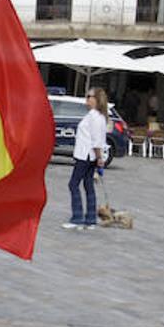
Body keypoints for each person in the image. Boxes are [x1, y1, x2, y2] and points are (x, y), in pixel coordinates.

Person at [65, 87, 108, 230]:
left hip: (86, 155)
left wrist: (99, 157)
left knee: (73, 184)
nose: (87, 99)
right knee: (88, 184)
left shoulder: (94, 116)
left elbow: (97, 140)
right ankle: (90, 219)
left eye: (90, 96)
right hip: (88, 155)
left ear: (97, 99)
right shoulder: (96, 116)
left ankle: (77, 217)